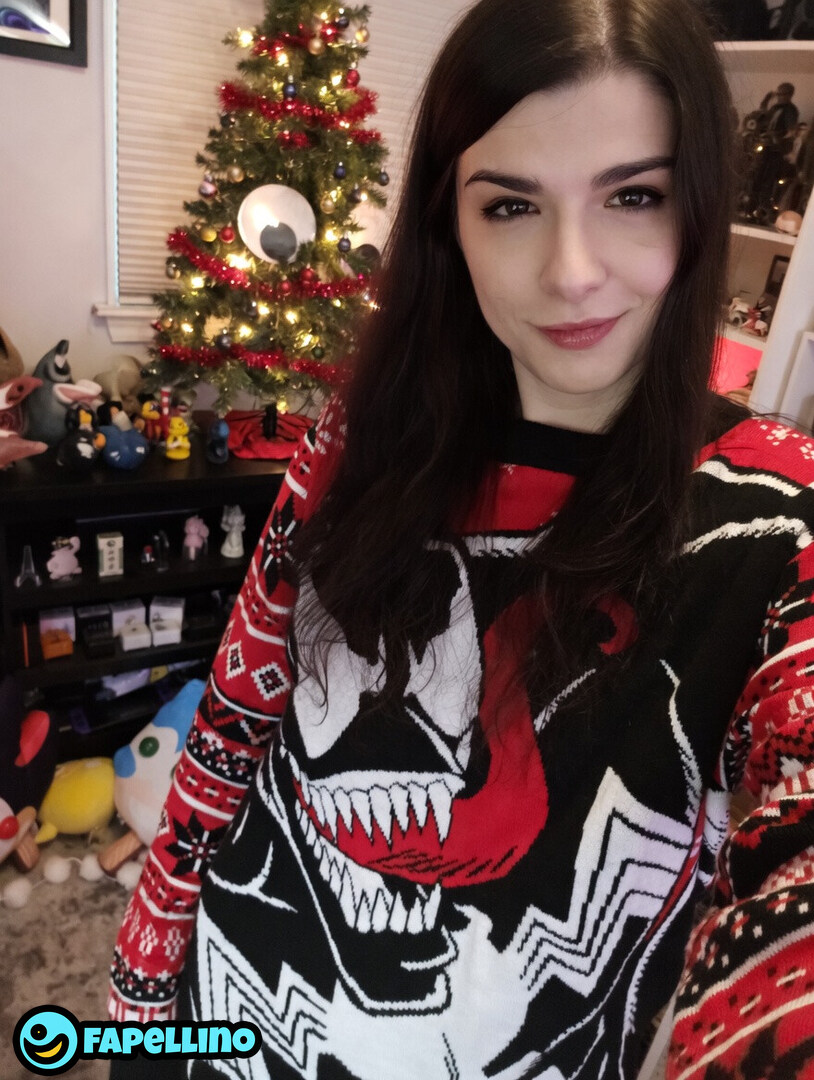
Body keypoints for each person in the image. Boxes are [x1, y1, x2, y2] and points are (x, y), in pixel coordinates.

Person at [109, 0, 814, 1076]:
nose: (571, 271)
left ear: (699, 206)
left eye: (633, 195)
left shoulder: (777, 514)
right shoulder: (359, 438)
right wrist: (141, 991)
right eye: (511, 205)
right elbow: (235, 719)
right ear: (450, 224)